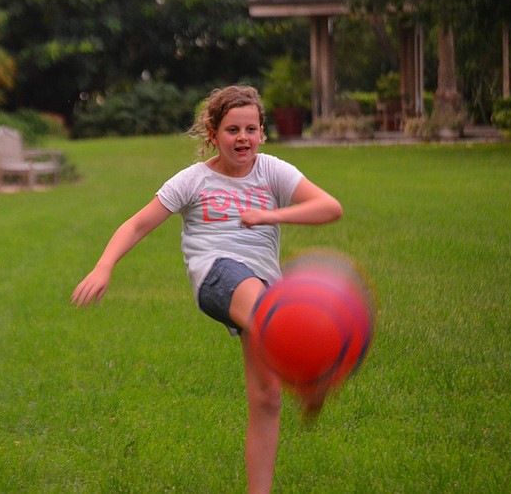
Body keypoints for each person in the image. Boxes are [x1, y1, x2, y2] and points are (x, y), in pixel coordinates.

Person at [71, 85, 343, 494]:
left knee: (267, 397)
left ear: (262, 133)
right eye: (232, 129)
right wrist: (104, 266)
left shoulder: (272, 171)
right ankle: (309, 377)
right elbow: (137, 224)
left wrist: (270, 214)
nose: (243, 138)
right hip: (216, 275)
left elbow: (330, 207)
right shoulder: (192, 181)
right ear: (213, 135)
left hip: (265, 287)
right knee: (268, 313)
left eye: (251, 129)